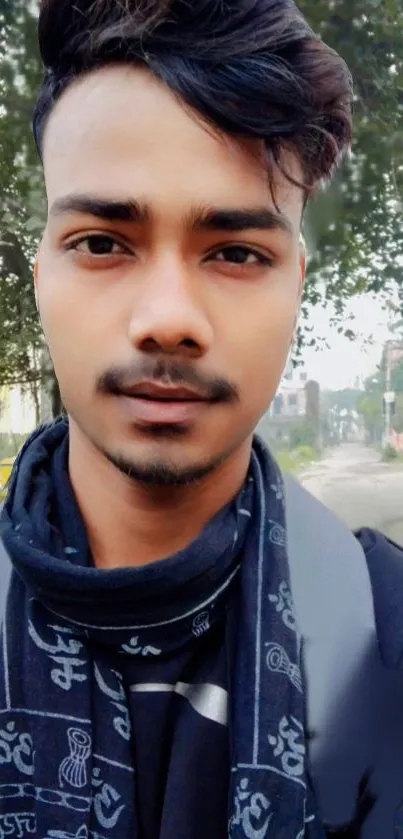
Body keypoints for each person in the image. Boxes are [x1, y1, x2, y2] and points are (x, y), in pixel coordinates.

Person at [1, 1, 400, 837]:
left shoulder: (383, 635)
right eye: (103, 242)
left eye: (235, 253)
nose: (168, 318)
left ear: (296, 281)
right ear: (40, 271)